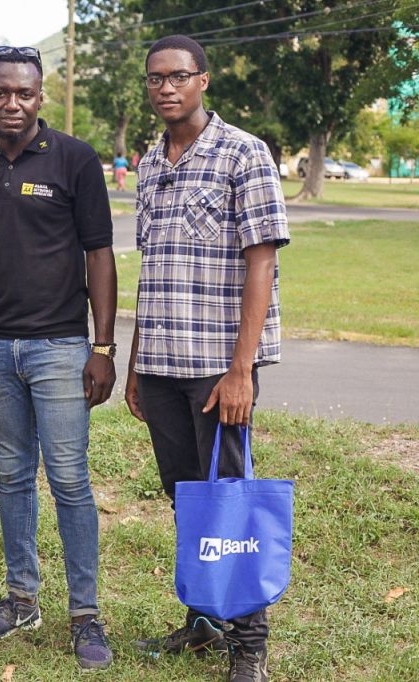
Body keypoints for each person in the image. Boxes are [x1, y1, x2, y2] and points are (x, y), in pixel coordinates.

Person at [125, 35, 290, 682]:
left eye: (178, 76)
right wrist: (138, 364)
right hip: (163, 363)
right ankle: (202, 619)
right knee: (187, 499)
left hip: (218, 368)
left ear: (204, 81)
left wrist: (242, 368)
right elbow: (152, 271)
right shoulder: (149, 162)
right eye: (155, 79)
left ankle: (249, 644)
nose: (166, 87)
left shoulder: (243, 154)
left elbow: (263, 263)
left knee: (230, 500)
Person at [0, 46, 118, 672]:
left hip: (59, 347)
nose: (13, 103)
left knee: (70, 479)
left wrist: (101, 346)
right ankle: (22, 597)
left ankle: (85, 613)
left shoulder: (75, 160)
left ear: (41, 97)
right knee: (13, 476)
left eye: (24, 93)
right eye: (2, 92)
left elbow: (98, 254)